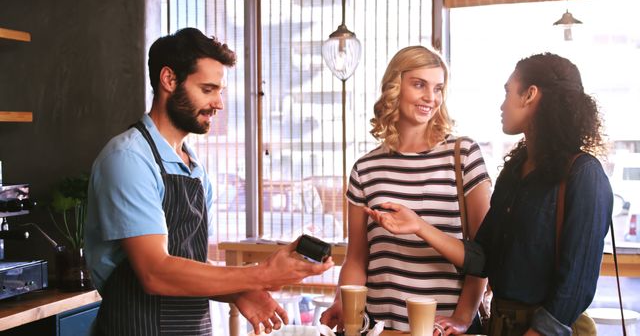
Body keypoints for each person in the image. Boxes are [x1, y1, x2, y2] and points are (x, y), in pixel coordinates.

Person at [84, 27, 333, 336]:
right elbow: (155, 273)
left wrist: (239, 291)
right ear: (169, 80)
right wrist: (260, 273)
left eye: (220, 91)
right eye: (207, 89)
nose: (219, 103)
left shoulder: (195, 170)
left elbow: (191, 269)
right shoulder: (128, 159)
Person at [366, 53, 612, 336]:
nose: (502, 104)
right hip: (501, 324)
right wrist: (418, 226)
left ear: (530, 95)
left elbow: (576, 285)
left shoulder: (584, 174)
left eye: (508, 92)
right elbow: (482, 257)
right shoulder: (515, 171)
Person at [320, 45, 492, 334]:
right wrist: (342, 299)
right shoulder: (365, 168)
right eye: (419, 85)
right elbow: (357, 258)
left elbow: (485, 253)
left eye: (438, 88)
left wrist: (462, 318)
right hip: (378, 327)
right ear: (394, 87)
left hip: (442, 329)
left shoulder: (463, 155)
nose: (430, 97)